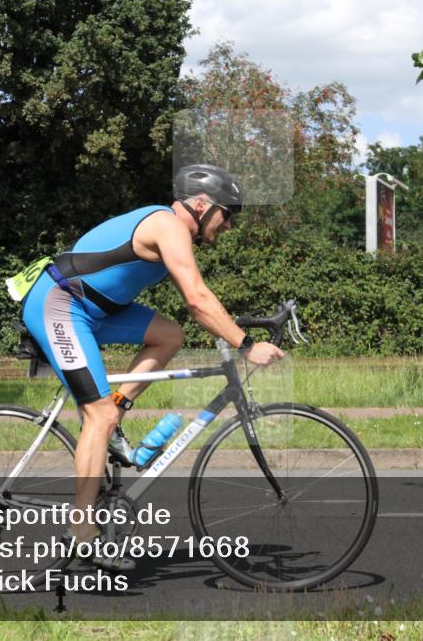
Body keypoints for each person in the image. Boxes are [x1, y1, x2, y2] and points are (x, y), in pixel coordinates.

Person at [20, 164, 286, 570]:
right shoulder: (168, 226)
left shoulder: (172, 230)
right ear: (201, 205)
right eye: (227, 215)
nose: (229, 226)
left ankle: (113, 415)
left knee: (170, 336)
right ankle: (83, 529)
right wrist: (247, 346)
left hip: (94, 307)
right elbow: (197, 298)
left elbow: (194, 304)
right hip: (60, 303)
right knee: (99, 416)